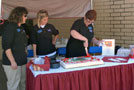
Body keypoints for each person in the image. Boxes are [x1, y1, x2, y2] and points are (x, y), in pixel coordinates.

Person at [2, 6, 28, 90]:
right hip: (12, 63)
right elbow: (6, 46)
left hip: (22, 61)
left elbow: (23, 43)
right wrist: (12, 61)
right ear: (19, 16)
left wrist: (25, 51)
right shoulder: (9, 27)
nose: (26, 17)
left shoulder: (21, 28)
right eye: (25, 15)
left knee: (22, 83)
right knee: (13, 85)